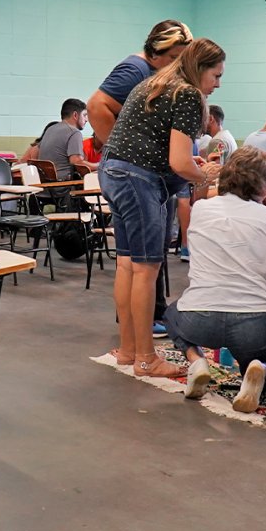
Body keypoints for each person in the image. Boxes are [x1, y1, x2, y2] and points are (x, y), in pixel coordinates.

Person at [99, 38, 224, 377]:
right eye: (216, 75)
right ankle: (146, 358)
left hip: (114, 171)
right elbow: (181, 163)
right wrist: (205, 174)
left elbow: (160, 146)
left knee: (127, 264)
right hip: (137, 180)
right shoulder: (186, 92)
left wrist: (188, 165)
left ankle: (128, 350)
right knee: (146, 269)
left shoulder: (154, 82)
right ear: (200, 69)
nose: (217, 84)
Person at [165, 147, 266, 412]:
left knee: (170, 313)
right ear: (262, 185)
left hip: (198, 318)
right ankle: (258, 369)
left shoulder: (200, 209)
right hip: (252, 323)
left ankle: (195, 360)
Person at [88, 20, 193, 337]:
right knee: (144, 260)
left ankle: (149, 317)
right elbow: (96, 105)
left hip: (150, 176)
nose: (179, 64)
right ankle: (144, 327)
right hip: (138, 176)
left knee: (140, 257)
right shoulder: (135, 69)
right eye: (175, 56)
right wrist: (121, 151)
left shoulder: (153, 74)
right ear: (158, 50)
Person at [37, 98, 96, 179]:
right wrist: (100, 165)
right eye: (85, 115)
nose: (87, 120)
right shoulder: (74, 133)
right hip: (64, 186)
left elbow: (35, 152)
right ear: (75, 115)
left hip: (45, 184)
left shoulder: (50, 129)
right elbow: (77, 163)